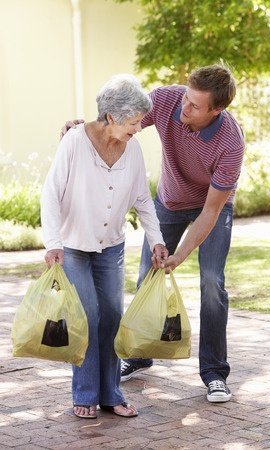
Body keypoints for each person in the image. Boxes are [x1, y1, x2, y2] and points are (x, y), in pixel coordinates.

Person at [61, 63, 245, 403]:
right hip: (170, 201)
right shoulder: (165, 100)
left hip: (211, 208)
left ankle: (215, 372)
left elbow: (210, 212)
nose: (184, 108)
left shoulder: (230, 143)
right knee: (147, 275)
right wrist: (84, 129)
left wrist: (180, 255)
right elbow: (118, 124)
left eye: (194, 106)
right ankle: (139, 354)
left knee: (211, 281)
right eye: (186, 98)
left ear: (216, 110)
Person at [41, 74, 168, 419]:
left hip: (111, 246)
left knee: (112, 317)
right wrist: (52, 242)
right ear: (111, 117)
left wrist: (156, 240)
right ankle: (85, 393)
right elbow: (51, 194)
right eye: (133, 121)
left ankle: (111, 393)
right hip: (73, 246)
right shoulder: (74, 143)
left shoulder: (133, 149)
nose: (139, 128)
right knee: (88, 317)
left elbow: (143, 198)